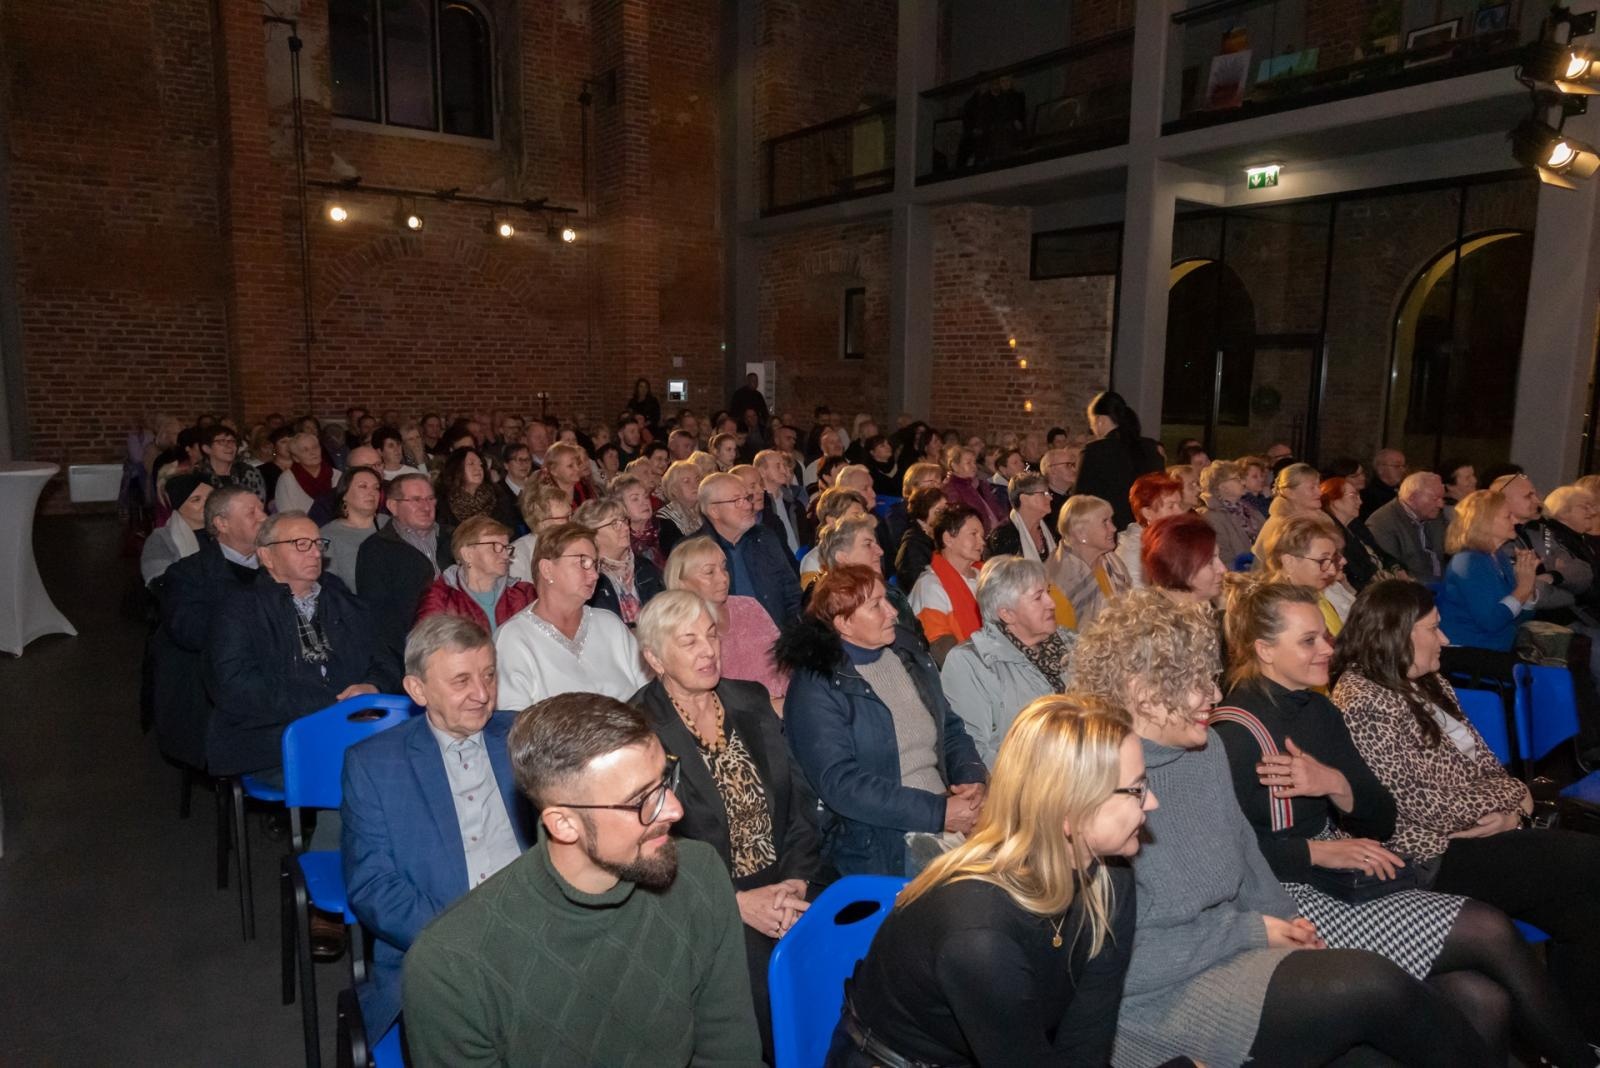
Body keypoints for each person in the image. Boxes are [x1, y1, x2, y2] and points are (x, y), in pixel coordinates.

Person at [1070, 590, 1500, 1067]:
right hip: (1168, 999)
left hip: (1239, 956)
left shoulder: (1203, 748)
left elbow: (1248, 859)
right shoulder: (1103, 791)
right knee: (1374, 984)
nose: (1214, 696)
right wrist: (1256, 931)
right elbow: (1126, 963)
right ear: (1144, 693)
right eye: (1196, 683)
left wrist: (1290, 925)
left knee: (1476, 996)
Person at [1214, 578, 1593, 1066]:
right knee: (1489, 931)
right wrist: (1316, 850)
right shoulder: (1236, 734)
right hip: (1289, 896)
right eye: (1308, 640)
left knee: (1486, 1000)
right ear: (1264, 650)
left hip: (1346, 870)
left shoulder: (1318, 711)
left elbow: (1379, 815)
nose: (1327, 648)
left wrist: (1333, 782)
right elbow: (1230, 856)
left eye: (1323, 636)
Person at [401, 692, 764, 1066]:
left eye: (665, 779)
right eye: (641, 800)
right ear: (563, 824)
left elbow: (729, 1051)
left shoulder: (698, 875)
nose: (674, 808)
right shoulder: (451, 966)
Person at [832, 695, 1150, 1066]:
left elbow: (1085, 1042)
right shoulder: (978, 934)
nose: (1153, 803)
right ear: (1072, 811)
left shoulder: (1111, 880)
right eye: (1137, 790)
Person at [631, 591, 821, 1058]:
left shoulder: (750, 699)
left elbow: (798, 800)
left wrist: (795, 882)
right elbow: (654, 847)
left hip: (787, 880)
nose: (708, 650)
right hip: (708, 901)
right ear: (655, 658)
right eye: (688, 640)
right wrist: (735, 903)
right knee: (766, 1001)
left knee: (847, 963)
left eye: (711, 635)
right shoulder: (638, 728)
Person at [341, 615, 531, 1042]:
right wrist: (468, 940)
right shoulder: (375, 764)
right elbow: (374, 887)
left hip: (537, 937)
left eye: (488, 675)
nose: (482, 694)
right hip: (441, 952)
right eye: (461, 681)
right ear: (417, 690)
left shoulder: (524, 735)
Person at [776, 565, 986, 878]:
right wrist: (938, 813)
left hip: (946, 811)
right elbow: (841, 784)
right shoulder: (816, 688)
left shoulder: (905, 655)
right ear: (844, 623)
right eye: (876, 606)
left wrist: (971, 776)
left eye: (886, 600)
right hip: (882, 840)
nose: (892, 612)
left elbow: (950, 728)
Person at [205, 512, 392, 777]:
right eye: (301, 544)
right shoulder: (238, 608)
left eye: (318, 543)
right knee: (360, 774)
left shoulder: (345, 603)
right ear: (267, 556)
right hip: (275, 739)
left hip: (354, 728)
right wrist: (330, 705)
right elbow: (235, 686)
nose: (315, 553)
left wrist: (373, 687)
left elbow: (386, 662)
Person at [153, 485, 267, 771]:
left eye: (262, 509)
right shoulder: (189, 574)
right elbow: (189, 631)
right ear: (221, 523)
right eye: (251, 512)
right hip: (217, 685)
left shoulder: (278, 567)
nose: (263, 517)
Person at [493, 522, 648, 708]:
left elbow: (648, 697)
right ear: (547, 569)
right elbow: (513, 722)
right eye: (582, 562)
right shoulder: (514, 639)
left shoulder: (610, 625)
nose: (594, 575)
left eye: (595, 564)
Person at [939, 557, 1075, 766]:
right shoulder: (971, 663)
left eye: (1047, 592)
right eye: (1038, 597)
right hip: (1028, 785)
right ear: (1007, 614)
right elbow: (974, 751)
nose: (1051, 603)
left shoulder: (1071, 643)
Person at [665, 536, 789, 713]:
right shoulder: (681, 633)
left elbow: (784, 661)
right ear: (682, 583)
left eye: (724, 567)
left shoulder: (748, 606)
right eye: (710, 572)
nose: (723, 578)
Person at [356, 473, 455, 677]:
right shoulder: (376, 549)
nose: (426, 506)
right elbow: (379, 617)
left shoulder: (453, 538)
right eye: (416, 500)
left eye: (430, 498)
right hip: (414, 651)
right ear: (393, 506)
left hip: (461, 637)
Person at [1436, 489, 1539, 654]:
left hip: (1497, 649)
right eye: (1508, 516)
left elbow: (1519, 618)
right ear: (1485, 522)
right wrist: (1523, 589)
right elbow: (1492, 621)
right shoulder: (1468, 562)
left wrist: (1529, 588)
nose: (1515, 520)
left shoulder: (1499, 557)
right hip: (1470, 653)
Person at [699, 471, 802, 628]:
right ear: (714, 511)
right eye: (737, 501)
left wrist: (790, 640)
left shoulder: (765, 538)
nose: (748, 505)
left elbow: (792, 592)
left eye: (747, 498)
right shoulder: (695, 552)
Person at [414, 516, 536, 637]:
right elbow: (427, 647)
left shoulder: (524, 593)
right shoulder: (440, 597)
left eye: (506, 548)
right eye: (495, 547)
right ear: (467, 555)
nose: (505, 555)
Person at [909, 502, 986, 664]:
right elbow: (941, 650)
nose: (982, 542)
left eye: (982, 536)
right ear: (948, 539)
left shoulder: (987, 575)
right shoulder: (930, 586)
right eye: (974, 534)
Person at [1075, 391, 1163, 529]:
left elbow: (1080, 502)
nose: (1092, 429)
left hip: (1108, 531)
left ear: (1100, 420)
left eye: (1091, 423)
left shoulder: (1095, 451)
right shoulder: (1151, 448)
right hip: (1148, 530)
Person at [1257, 512, 1352, 635]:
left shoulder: (1318, 595)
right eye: (1322, 561)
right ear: (1289, 562)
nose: (1332, 570)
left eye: (1332, 560)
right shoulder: (1278, 611)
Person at [574, 496, 664, 625]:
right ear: (591, 535)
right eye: (614, 524)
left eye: (624, 520)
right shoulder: (589, 578)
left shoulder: (644, 566)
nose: (626, 528)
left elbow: (665, 612)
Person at [1046, 494, 1129, 629]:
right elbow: (1065, 640)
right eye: (1105, 522)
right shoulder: (1061, 582)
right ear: (1081, 534)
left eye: (1111, 520)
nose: (1113, 528)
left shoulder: (1111, 562)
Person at [1366, 471, 1449, 584]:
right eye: (1435, 499)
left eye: (1442, 498)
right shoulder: (1382, 524)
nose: (1441, 504)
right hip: (1412, 591)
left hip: (1443, 585)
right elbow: (1391, 572)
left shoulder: (1434, 515)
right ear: (1412, 498)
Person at [1321, 475, 1399, 592]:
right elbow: (1354, 573)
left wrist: (1396, 568)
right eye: (1353, 496)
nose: (1360, 502)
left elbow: (1379, 551)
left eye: (1359, 496)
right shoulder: (1331, 533)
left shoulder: (1356, 525)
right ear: (1334, 501)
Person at [320, 466, 385, 593]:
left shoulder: (390, 524)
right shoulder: (327, 535)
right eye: (363, 486)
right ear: (344, 494)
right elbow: (330, 587)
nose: (371, 493)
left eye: (376, 488)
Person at [140, 472, 213, 586]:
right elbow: (159, 582)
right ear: (179, 506)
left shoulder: (227, 530)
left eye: (211, 497)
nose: (208, 503)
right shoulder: (161, 538)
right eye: (196, 499)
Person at [1142, 512, 1227, 606]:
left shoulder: (1209, 608)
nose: (1223, 569)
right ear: (1179, 567)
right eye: (1210, 562)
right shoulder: (1158, 619)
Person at [1117, 472, 1185, 588]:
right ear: (1147, 512)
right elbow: (1139, 600)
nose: (1180, 512)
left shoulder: (1170, 538)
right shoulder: (1134, 551)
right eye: (1171, 506)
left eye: (1179, 505)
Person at [436, 446, 517, 533]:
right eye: (471, 464)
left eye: (481, 465)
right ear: (457, 468)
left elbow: (510, 529)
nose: (478, 468)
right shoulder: (444, 502)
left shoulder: (498, 495)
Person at [982, 472, 1058, 563]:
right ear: (1024, 499)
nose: (1050, 498)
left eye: (1048, 493)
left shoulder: (1050, 526)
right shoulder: (1003, 536)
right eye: (1043, 493)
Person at [1198, 459, 1260, 570]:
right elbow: (1224, 557)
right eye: (1237, 479)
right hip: (1238, 577)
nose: (1243, 483)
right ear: (1221, 486)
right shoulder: (1211, 517)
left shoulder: (1248, 509)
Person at [1252, 462, 1323, 558]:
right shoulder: (1282, 527)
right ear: (1290, 493)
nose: (1319, 492)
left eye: (1318, 486)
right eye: (1312, 488)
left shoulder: (1322, 519)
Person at [506, 482, 572, 583]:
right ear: (543, 523)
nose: (571, 522)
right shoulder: (518, 554)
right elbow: (522, 595)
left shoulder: (573, 544)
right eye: (565, 517)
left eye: (571, 515)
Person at [940, 446, 1005, 531]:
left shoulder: (981, 484)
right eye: (968, 463)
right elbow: (959, 520)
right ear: (955, 466)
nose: (974, 466)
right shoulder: (951, 488)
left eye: (974, 462)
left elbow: (997, 510)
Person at [195, 425, 266, 501]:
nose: (229, 446)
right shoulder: (196, 474)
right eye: (222, 441)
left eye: (232, 441)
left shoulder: (248, 472)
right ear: (207, 449)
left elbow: (258, 503)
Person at [274, 431, 339, 514]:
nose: (313, 453)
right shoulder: (287, 480)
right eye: (305, 450)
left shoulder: (337, 475)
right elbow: (286, 514)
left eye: (315, 447)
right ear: (296, 458)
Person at [894, 485, 944, 592]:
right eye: (939, 511)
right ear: (922, 512)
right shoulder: (912, 545)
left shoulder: (937, 538)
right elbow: (917, 586)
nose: (945, 516)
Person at [754, 448, 804, 556]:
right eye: (778, 466)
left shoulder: (795, 504)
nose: (784, 471)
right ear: (762, 472)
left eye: (784, 466)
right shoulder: (760, 507)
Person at [610, 472, 664, 570]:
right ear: (620, 506)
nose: (645, 502)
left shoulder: (665, 526)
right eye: (635, 499)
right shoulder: (621, 542)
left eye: (646, 496)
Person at [655, 458, 705, 558]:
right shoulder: (664, 518)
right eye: (686, 481)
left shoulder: (706, 511)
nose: (695, 485)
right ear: (674, 489)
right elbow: (676, 554)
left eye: (697, 479)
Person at [1361, 447, 1407, 520]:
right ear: (1380, 469)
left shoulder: (1404, 490)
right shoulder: (1369, 496)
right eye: (1397, 466)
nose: (1402, 470)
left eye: (1403, 466)